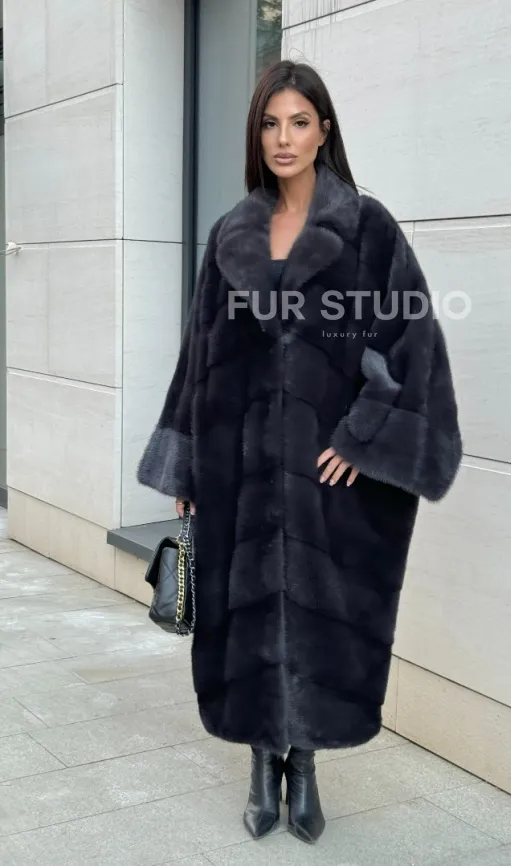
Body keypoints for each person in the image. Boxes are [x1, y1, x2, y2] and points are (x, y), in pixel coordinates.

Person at [137, 59, 462, 845]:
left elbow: (413, 343)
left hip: (328, 477)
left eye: (299, 122)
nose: (284, 138)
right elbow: (197, 354)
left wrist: (361, 435)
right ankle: (261, 761)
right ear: (258, 135)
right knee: (244, 613)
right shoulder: (230, 234)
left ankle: (306, 763)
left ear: (324, 131)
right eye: (270, 123)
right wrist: (187, 461)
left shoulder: (368, 228)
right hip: (239, 467)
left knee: (323, 616)